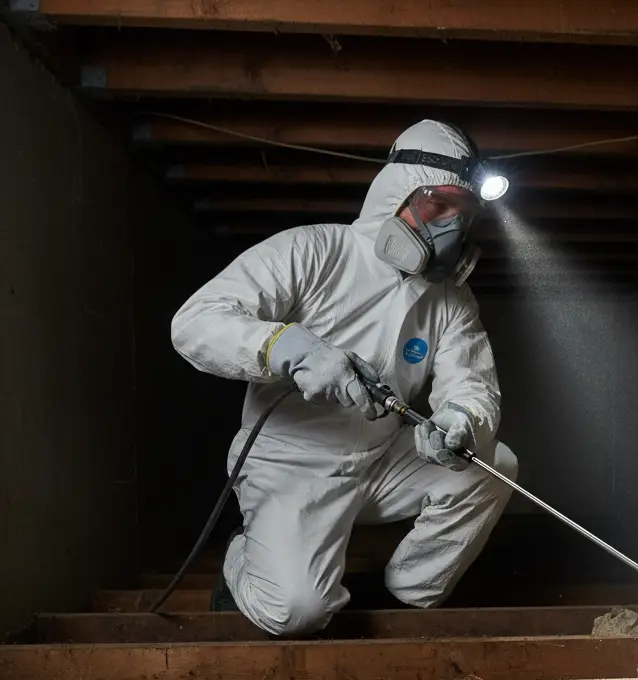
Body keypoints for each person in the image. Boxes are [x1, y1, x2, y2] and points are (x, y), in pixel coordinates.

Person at [170, 120, 517, 636]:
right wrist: (289, 348)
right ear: (397, 195)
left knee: (494, 463)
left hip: (379, 459)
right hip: (293, 463)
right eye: (438, 206)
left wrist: (460, 419)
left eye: (463, 214)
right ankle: (244, 558)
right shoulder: (314, 251)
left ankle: (408, 592)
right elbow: (195, 322)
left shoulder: (450, 300)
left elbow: (472, 383)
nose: (452, 226)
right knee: (296, 611)